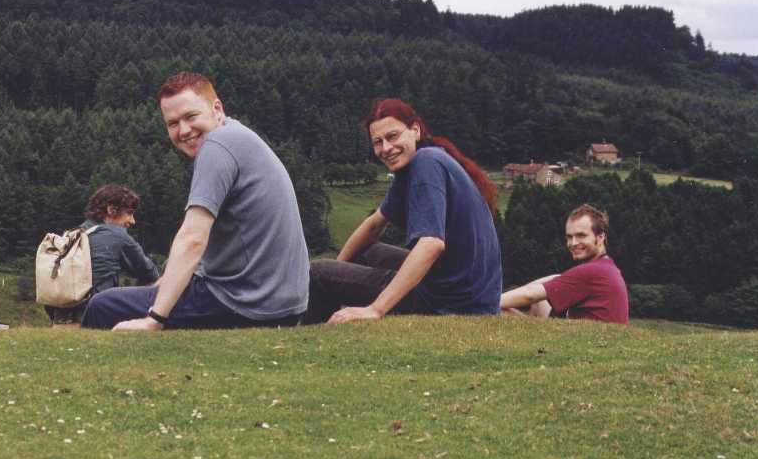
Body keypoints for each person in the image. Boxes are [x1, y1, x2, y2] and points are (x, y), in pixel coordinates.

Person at [82, 71, 309, 330]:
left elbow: (193, 238)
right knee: (152, 294)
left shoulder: (217, 145)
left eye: (191, 116)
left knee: (103, 305)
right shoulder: (238, 136)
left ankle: (90, 356)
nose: (184, 130)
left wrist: (154, 319)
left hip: (246, 303)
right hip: (282, 302)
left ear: (217, 109)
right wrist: (163, 286)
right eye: (173, 123)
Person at [303, 98, 501, 323]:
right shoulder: (418, 163)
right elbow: (374, 225)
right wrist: (338, 271)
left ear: (415, 130)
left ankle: (312, 338)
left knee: (318, 273)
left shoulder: (425, 163)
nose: (386, 148)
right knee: (366, 251)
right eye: (378, 142)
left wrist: (375, 309)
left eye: (393, 136)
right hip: (466, 293)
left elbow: (431, 244)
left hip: (452, 303)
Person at [44, 184, 161, 325]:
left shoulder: (72, 234)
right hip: (99, 312)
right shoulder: (117, 235)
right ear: (111, 210)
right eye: (129, 213)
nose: (132, 221)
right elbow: (151, 274)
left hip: (61, 313)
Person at [500, 204, 628, 324]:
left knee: (495, 310)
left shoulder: (592, 271)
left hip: (590, 339)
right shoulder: (606, 266)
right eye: (569, 237)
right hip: (593, 335)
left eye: (581, 236)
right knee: (544, 295)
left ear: (600, 237)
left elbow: (529, 295)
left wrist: (490, 301)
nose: (573, 243)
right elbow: (550, 282)